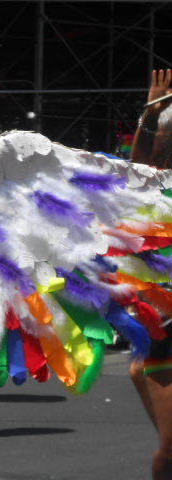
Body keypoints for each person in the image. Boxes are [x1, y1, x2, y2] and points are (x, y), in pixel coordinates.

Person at [130, 68, 172, 480]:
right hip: (166, 331)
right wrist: (150, 112)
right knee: (170, 452)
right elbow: (137, 168)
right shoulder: (157, 187)